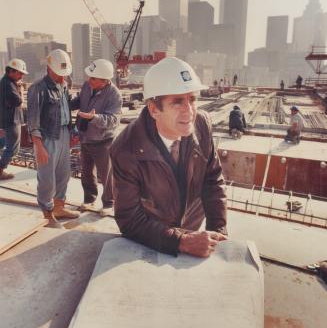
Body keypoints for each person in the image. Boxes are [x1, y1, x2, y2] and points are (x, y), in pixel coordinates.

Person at [110, 57, 227, 258]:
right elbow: (129, 219)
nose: (189, 112)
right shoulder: (126, 150)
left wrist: (218, 231)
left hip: (191, 226)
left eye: (192, 99)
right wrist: (180, 242)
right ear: (154, 109)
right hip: (152, 237)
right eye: (177, 102)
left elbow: (212, 180)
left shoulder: (201, 124)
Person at [27, 49, 80, 228]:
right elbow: (32, 120)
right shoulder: (38, 88)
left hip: (63, 133)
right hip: (47, 137)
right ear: (49, 68)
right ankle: (47, 213)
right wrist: (39, 146)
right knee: (47, 178)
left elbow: (65, 109)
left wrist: (71, 132)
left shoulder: (64, 84)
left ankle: (59, 207)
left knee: (63, 174)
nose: (62, 77)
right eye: (59, 73)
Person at [70, 59, 122, 216]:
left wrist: (94, 118)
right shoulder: (87, 86)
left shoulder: (114, 95)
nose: (89, 80)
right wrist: (66, 104)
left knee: (106, 175)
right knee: (86, 172)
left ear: (105, 80)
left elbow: (113, 120)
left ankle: (109, 203)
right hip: (86, 137)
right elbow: (79, 101)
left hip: (103, 141)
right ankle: (89, 199)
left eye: (93, 78)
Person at [0, 59, 28, 180]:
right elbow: (18, 101)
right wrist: (20, 89)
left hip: (10, 120)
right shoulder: (8, 83)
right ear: (11, 71)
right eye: (20, 73)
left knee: (9, 147)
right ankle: (0, 170)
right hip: (11, 121)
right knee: (13, 149)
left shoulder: (7, 82)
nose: (22, 76)